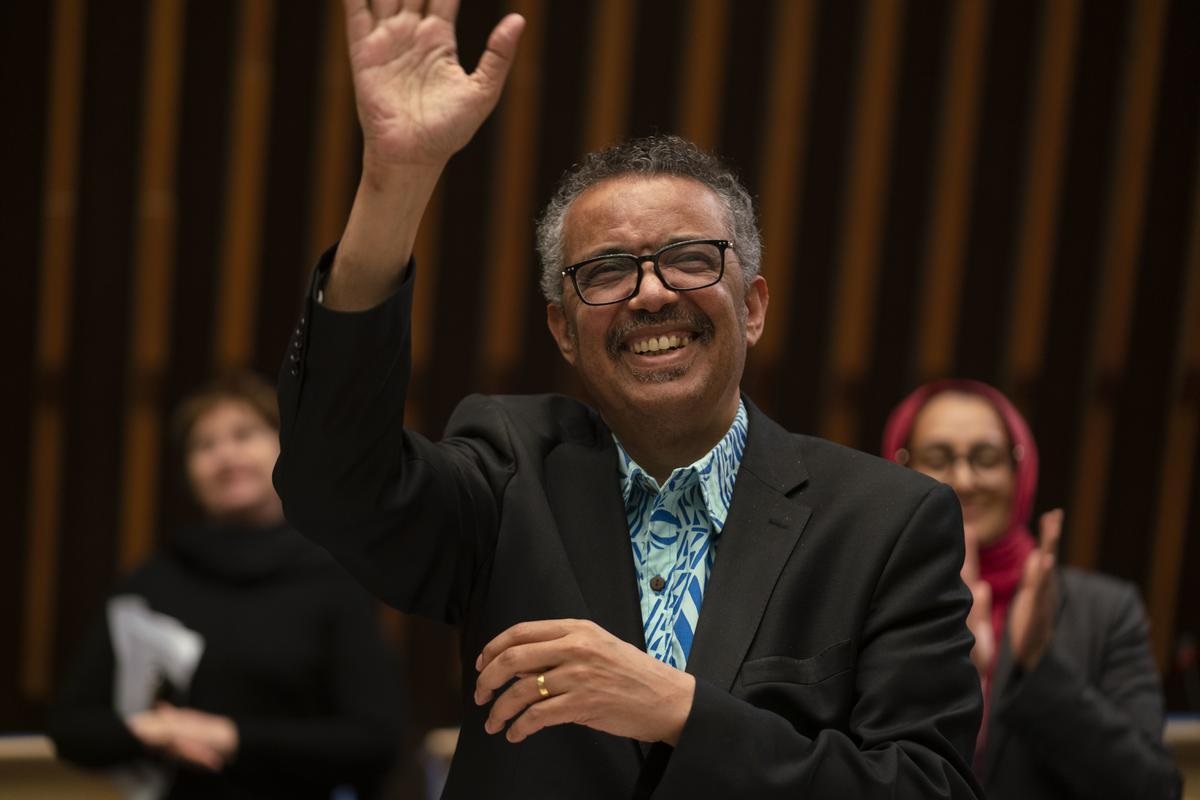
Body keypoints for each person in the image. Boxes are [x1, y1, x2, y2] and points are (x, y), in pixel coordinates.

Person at [273, 3, 983, 797]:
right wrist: (394, 183)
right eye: (606, 271)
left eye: (687, 259)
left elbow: (929, 787)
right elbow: (332, 485)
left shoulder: (885, 522)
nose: (650, 294)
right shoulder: (512, 469)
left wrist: (681, 710)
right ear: (564, 329)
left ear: (751, 306)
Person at [49, 371, 405, 799]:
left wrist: (230, 736)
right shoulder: (153, 581)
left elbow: (377, 739)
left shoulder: (333, 579)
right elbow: (71, 728)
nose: (226, 455)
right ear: (187, 472)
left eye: (243, 434)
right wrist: (154, 730)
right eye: (205, 445)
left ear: (283, 449)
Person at [882, 378, 1182, 799]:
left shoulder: (1104, 611)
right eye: (938, 457)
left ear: (1019, 470)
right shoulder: (867, 599)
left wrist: (1038, 664)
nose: (965, 480)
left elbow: (1153, 789)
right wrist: (949, 669)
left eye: (986, 458)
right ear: (898, 469)